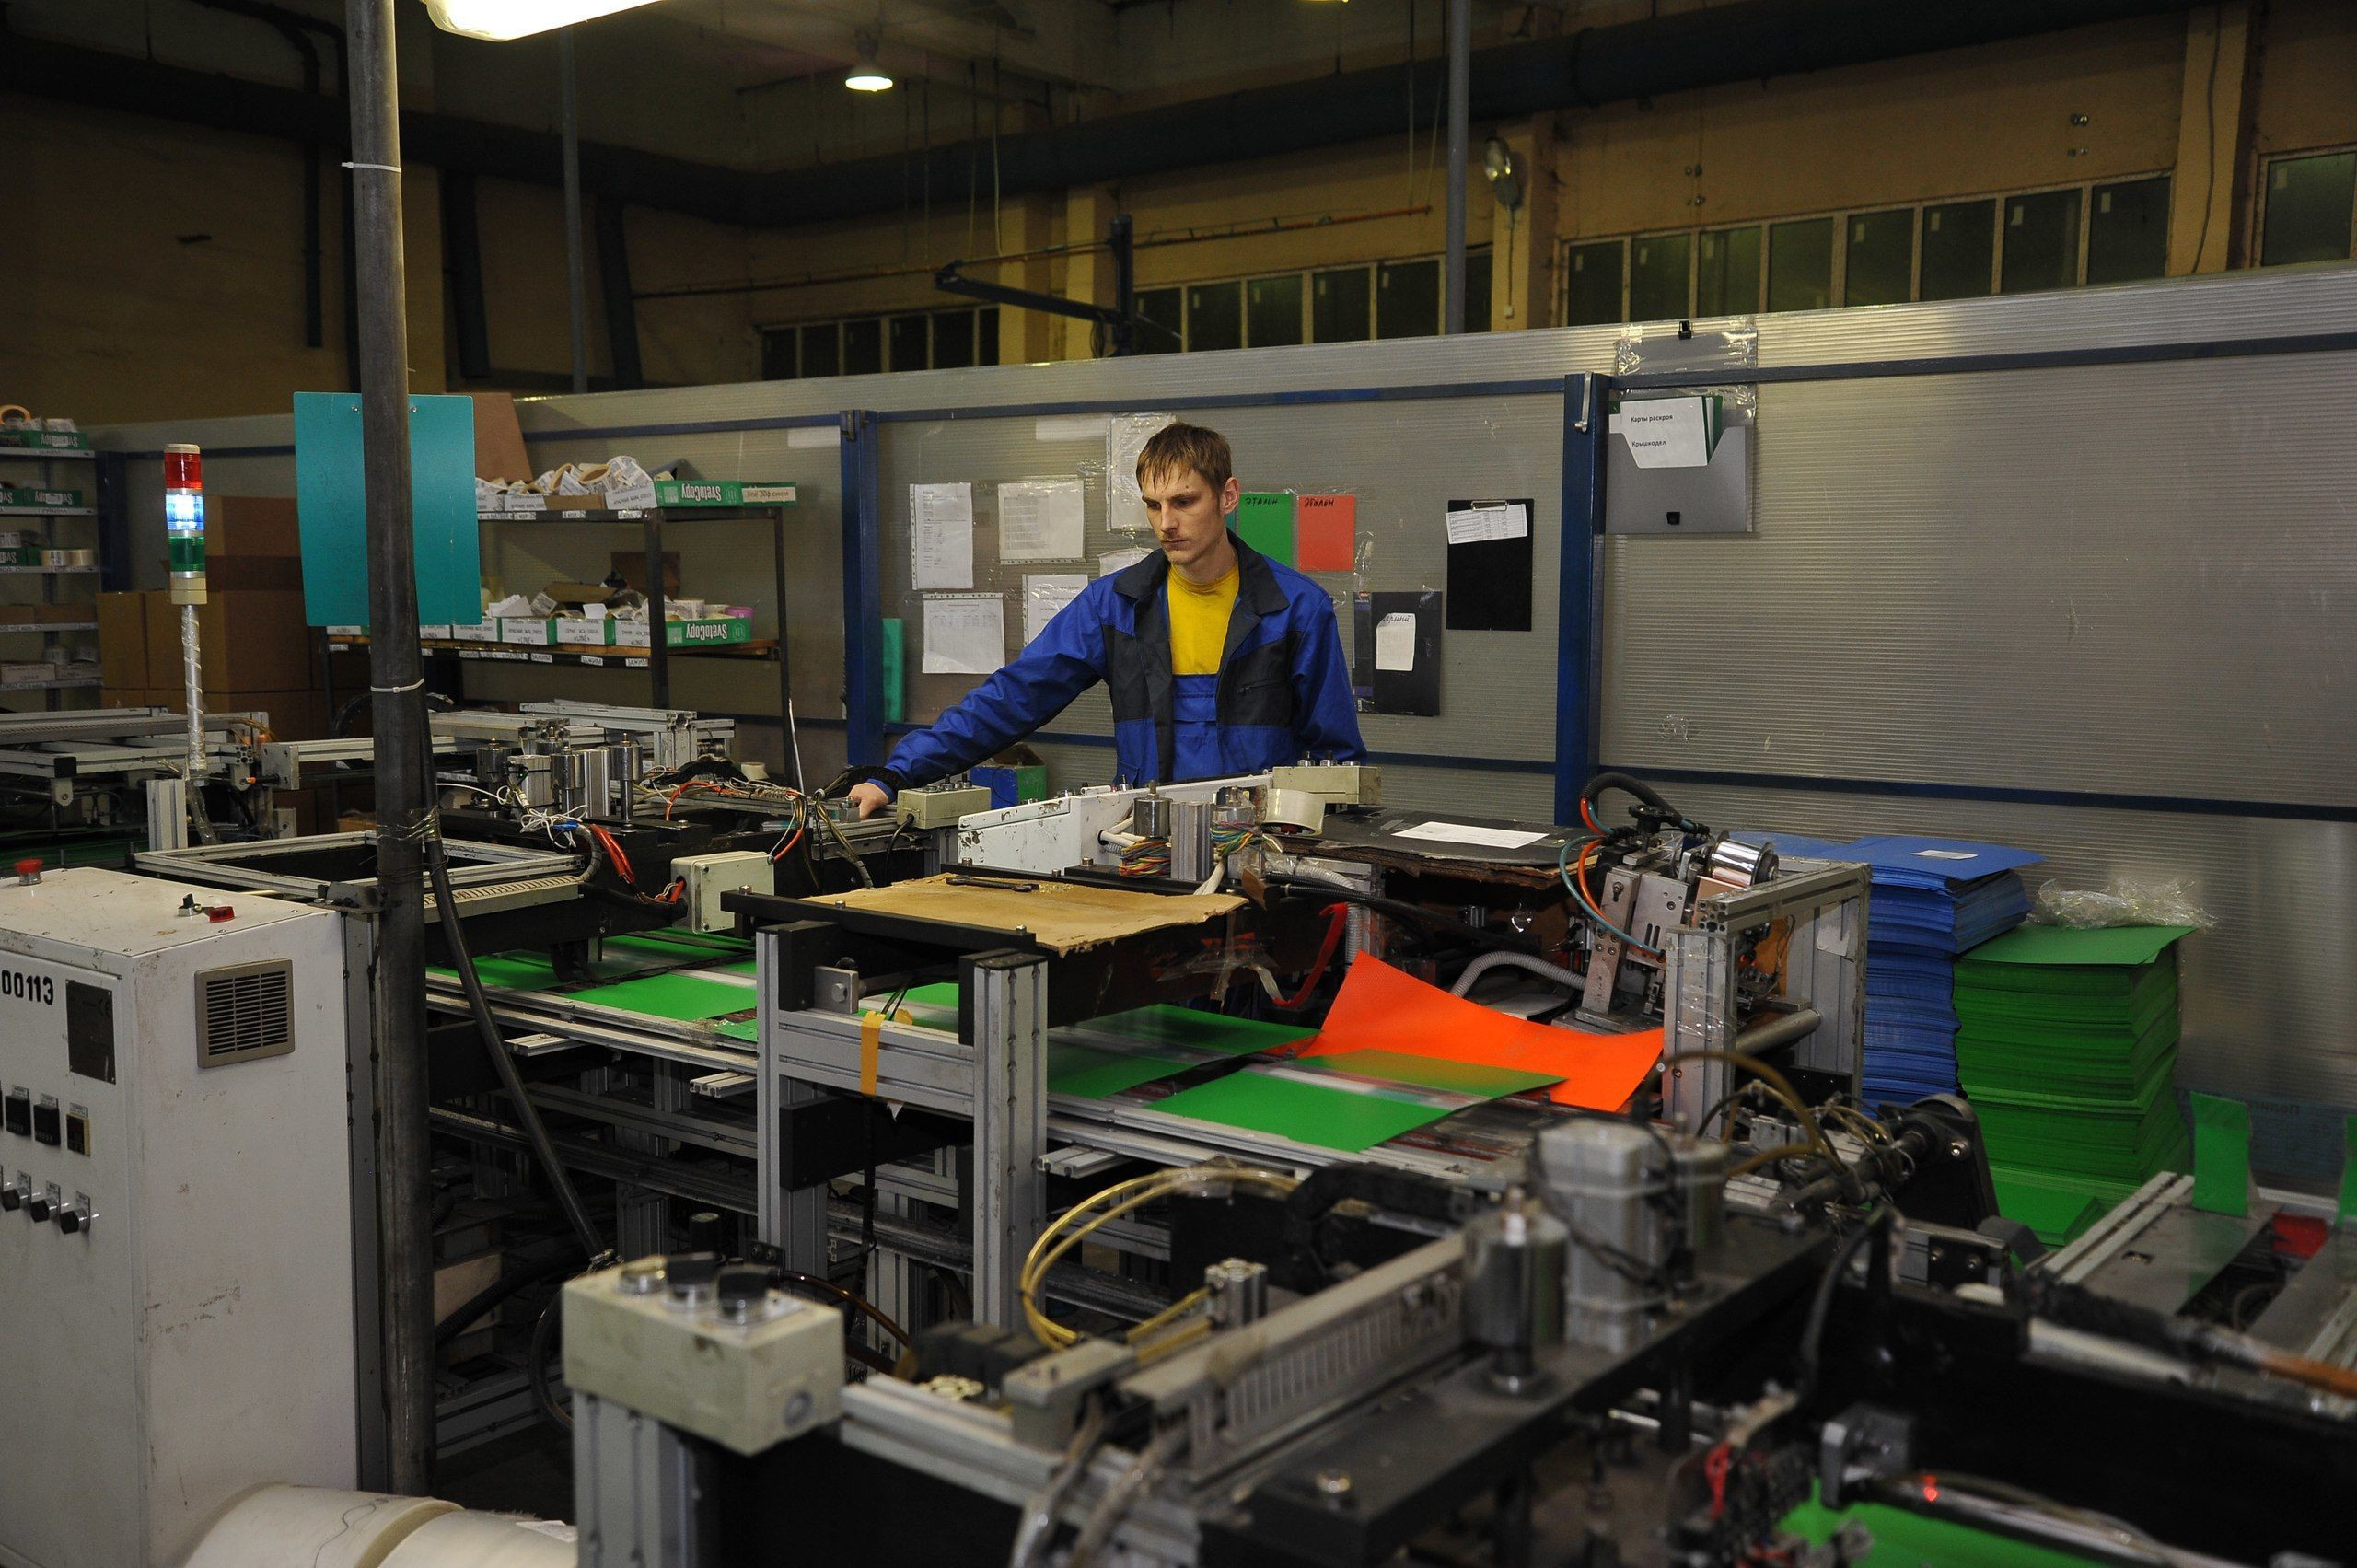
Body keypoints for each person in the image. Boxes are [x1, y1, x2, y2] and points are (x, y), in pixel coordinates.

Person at [848, 422, 1364, 817]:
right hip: (1149, 848)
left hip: (1259, 850)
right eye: (1153, 505)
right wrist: (897, 774)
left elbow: (1337, 761)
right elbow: (1012, 697)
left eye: (1184, 502)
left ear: (1227, 496)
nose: (1167, 523)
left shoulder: (1296, 609)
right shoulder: (1115, 607)